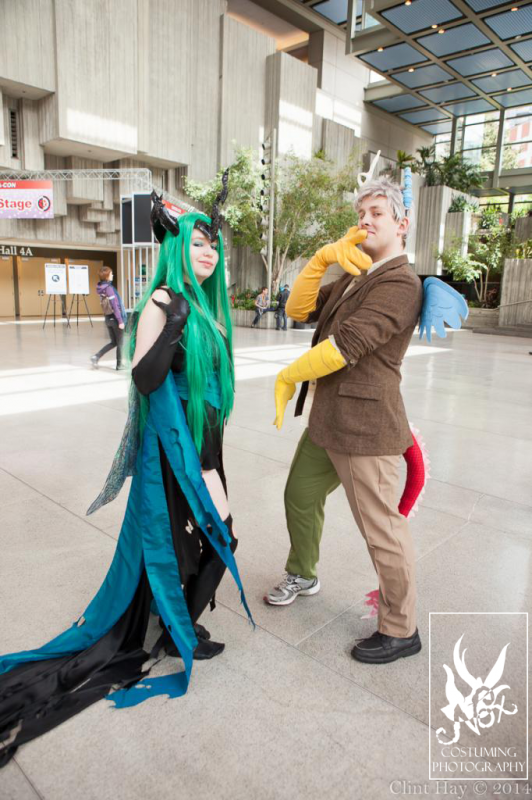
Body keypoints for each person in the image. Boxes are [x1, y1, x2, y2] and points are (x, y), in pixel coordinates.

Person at [0, 175, 252, 766]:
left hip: (204, 446)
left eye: (214, 245)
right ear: (175, 248)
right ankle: (176, 631)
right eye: (197, 243)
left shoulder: (211, 309)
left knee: (218, 534)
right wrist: (175, 325)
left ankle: (174, 627)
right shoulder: (165, 301)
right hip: (170, 450)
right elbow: (143, 379)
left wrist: (214, 456)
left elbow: (211, 393)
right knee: (204, 540)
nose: (208, 253)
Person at [265, 177, 425, 665]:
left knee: (382, 530)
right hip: (327, 420)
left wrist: (291, 374)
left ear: (402, 223)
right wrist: (320, 261)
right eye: (361, 214)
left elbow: (347, 346)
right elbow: (296, 309)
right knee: (300, 494)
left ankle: (400, 630)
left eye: (377, 213)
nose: (365, 221)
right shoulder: (358, 274)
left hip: (365, 429)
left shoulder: (400, 282)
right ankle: (304, 572)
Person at [91, 266, 127, 370]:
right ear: (107, 276)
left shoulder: (100, 288)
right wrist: (120, 321)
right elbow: (115, 306)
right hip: (115, 319)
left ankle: (96, 356)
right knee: (120, 343)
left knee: (114, 342)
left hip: (108, 319)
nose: (112, 275)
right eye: (111, 274)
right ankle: (119, 365)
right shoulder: (109, 288)